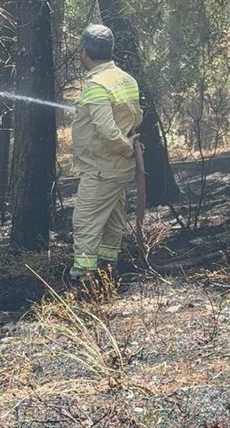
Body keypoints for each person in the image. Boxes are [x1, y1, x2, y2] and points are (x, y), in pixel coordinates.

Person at [69, 24, 142, 282]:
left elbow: (108, 131)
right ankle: (108, 268)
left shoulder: (97, 85)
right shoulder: (126, 79)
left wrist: (126, 149)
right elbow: (136, 117)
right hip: (117, 168)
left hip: (103, 168)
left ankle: (85, 276)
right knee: (112, 219)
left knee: (85, 221)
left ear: (84, 53)